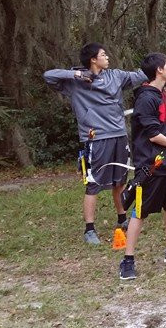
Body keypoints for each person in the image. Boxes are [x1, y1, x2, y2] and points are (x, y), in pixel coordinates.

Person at [44, 43, 147, 245]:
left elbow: (142, 76)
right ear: (93, 59)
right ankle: (89, 229)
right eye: (103, 54)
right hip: (95, 138)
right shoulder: (74, 83)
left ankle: (122, 220)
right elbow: (48, 75)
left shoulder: (116, 76)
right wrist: (75, 75)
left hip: (118, 135)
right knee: (93, 184)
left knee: (120, 182)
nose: (107, 57)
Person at [119, 52, 166, 281]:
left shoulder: (163, 95)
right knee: (140, 212)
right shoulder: (145, 98)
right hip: (150, 166)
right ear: (159, 70)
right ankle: (128, 261)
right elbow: (153, 135)